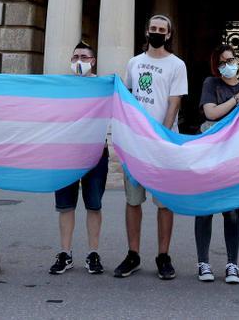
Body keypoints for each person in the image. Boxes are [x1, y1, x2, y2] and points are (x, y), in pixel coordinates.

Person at [114, 14, 187, 280]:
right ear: (147, 31)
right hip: (135, 145)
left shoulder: (177, 65)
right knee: (133, 201)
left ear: (168, 35)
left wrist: (161, 136)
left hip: (161, 144)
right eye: (153, 28)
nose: (157, 32)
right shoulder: (134, 63)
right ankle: (133, 254)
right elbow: (127, 97)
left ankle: (163, 255)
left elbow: (174, 103)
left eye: (162, 30)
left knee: (164, 203)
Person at [194, 44, 239, 284]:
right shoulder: (211, 84)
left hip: (234, 156)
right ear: (216, 66)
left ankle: (232, 264)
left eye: (231, 59)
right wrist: (237, 100)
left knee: (232, 210)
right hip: (210, 153)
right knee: (206, 209)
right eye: (222, 62)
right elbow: (211, 113)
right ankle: (203, 263)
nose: (228, 65)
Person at [49, 42, 108, 276]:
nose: (79, 60)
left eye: (84, 56)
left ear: (93, 61)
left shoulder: (104, 85)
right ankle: (65, 253)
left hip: (95, 152)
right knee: (65, 206)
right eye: (75, 57)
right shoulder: (62, 86)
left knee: (94, 205)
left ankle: (93, 253)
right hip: (66, 153)